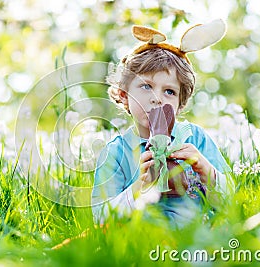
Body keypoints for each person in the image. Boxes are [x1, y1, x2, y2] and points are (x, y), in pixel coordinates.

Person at [91, 20, 233, 228]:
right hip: (140, 241)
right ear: (124, 95)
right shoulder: (116, 152)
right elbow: (100, 217)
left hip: (196, 240)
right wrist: (140, 187)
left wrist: (205, 169)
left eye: (169, 91)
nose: (158, 99)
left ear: (179, 103)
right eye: (146, 86)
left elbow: (233, 199)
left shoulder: (195, 139)